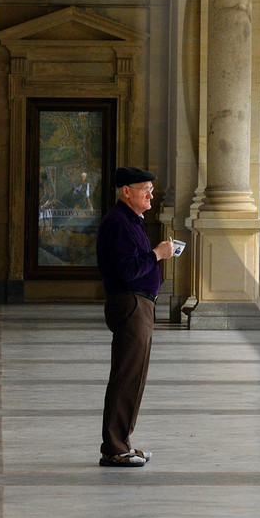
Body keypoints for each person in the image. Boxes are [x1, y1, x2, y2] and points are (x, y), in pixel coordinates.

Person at [95, 166, 173, 467]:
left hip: (139, 305)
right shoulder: (119, 222)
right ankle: (114, 447)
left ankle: (122, 443)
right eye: (145, 189)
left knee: (134, 377)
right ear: (126, 191)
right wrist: (157, 254)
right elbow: (129, 270)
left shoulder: (131, 220)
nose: (150, 194)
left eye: (151, 189)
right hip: (130, 305)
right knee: (126, 377)